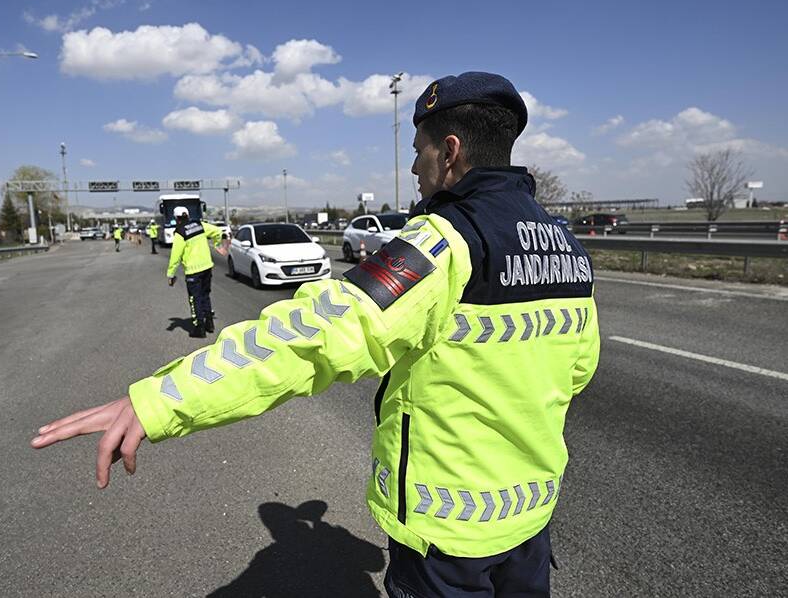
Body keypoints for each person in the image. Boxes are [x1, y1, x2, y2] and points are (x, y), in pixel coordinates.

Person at [31, 72, 601, 597]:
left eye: (418, 152)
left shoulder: (442, 242)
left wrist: (160, 400)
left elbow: (311, 338)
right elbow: (577, 372)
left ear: (449, 152)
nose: (412, 170)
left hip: (447, 537)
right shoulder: (566, 246)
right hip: (531, 521)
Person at [165, 207, 224, 338]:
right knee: (205, 295)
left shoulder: (180, 232)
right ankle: (210, 324)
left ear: (176, 218)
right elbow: (217, 231)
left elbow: (175, 256)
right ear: (188, 215)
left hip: (193, 271)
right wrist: (217, 244)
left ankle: (200, 329)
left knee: (195, 299)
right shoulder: (199, 224)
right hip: (207, 267)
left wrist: (171, 274)